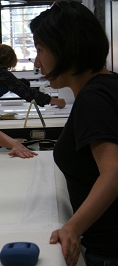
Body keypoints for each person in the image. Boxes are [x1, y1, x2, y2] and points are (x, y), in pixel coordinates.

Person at [30, 1, 118, 266]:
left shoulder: (93, 98)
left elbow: (113, 172)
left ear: (64, 49)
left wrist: (72, 228)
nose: (37, 62)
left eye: (40, 50)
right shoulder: (109, 84)